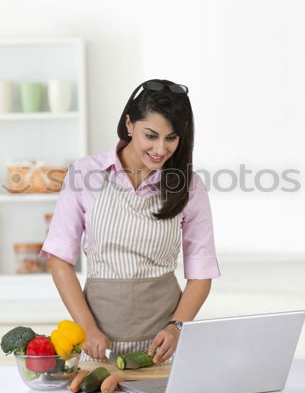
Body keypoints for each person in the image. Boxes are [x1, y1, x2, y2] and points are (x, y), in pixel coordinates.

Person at [39, 78, 220, 365]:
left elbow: (201, 271)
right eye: (151, 135)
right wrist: (88, 329)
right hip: (97, 345)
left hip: (163, 352)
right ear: (129, 124)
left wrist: (177, 328)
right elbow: (59, 260)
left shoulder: (190, 186)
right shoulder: (85, 174)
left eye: (171, 138)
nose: (160, 149)